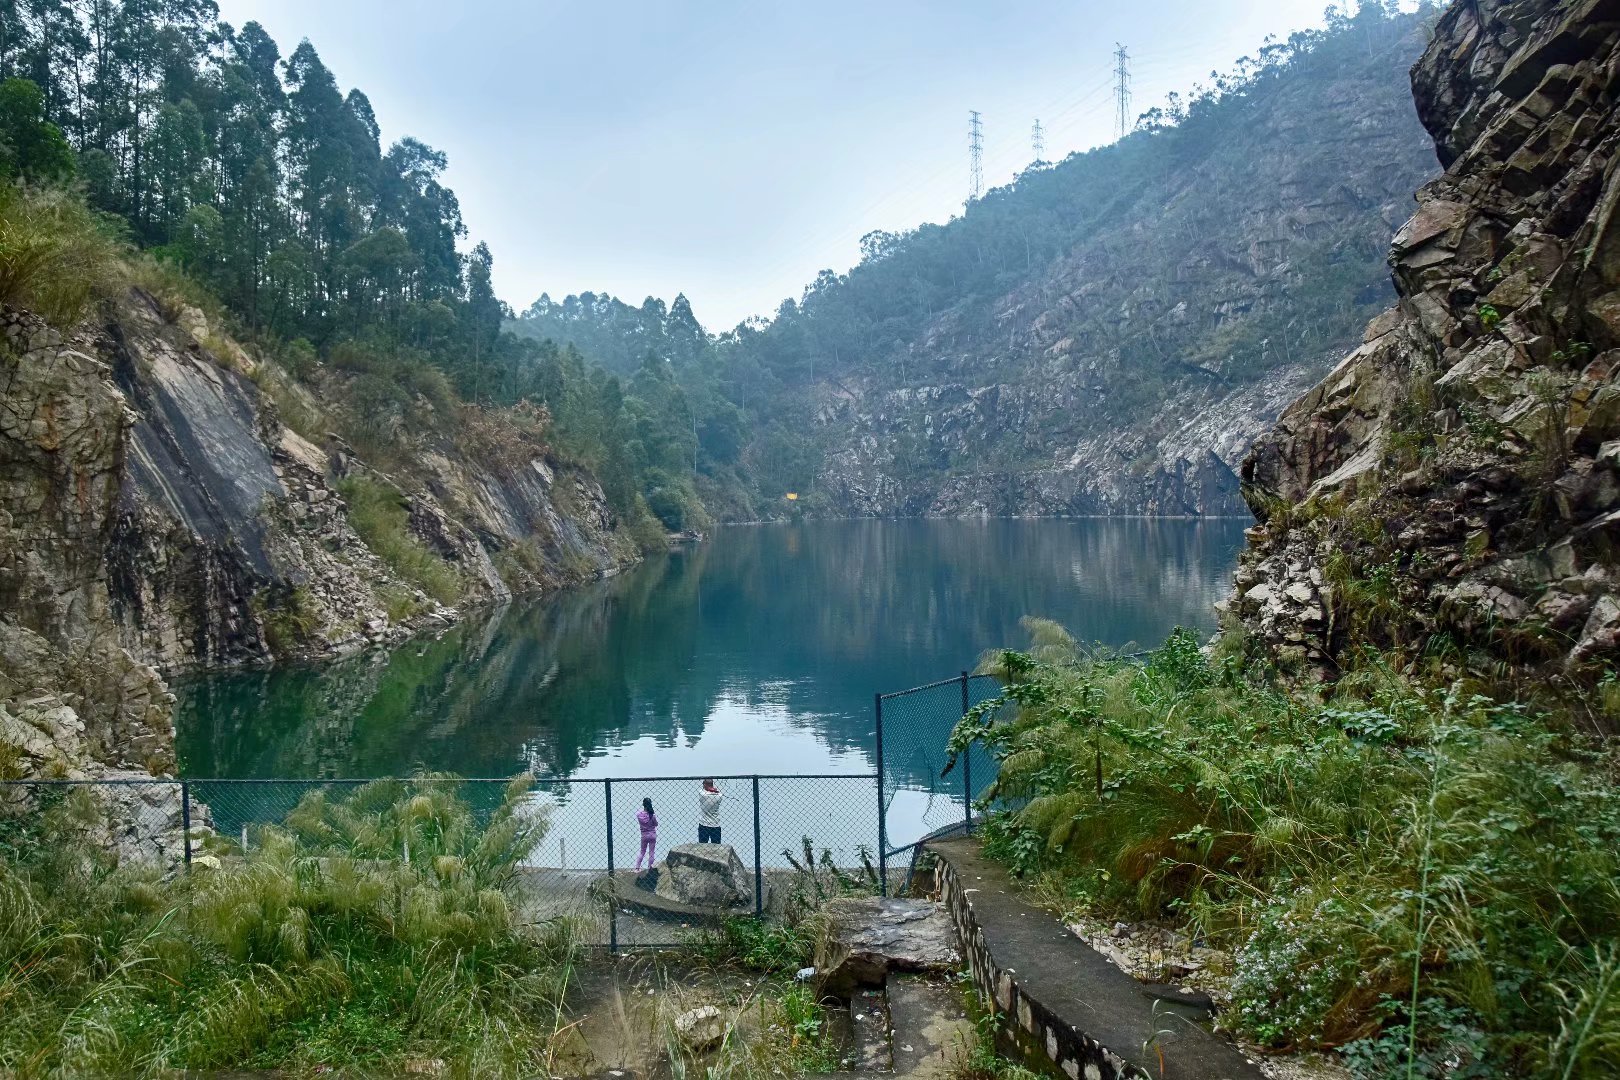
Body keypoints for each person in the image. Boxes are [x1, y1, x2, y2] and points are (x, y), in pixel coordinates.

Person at [635, 797, 658, 872]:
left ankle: (637, 868)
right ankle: (650, 867)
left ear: (643, 804)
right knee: (651, 851)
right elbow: (656, 824)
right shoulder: (652, 815)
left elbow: (639, 817)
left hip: (644, 835)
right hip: (652, 835)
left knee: (642, 851)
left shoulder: (639, 814)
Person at [697, 778, 722, 844]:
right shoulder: (719, 796)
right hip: (715, 824)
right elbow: (718, 792)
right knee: (716, 847)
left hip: (704, 824)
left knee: (702, 846)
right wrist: (714, 790)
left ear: (705, 785)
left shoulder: (702, 795)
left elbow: (702, 790)